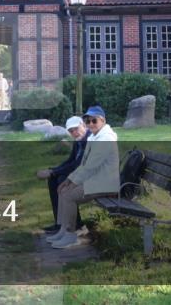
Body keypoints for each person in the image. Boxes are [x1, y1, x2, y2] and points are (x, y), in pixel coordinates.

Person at [47, 106, 119, 249]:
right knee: (63, 190)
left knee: (68, 195)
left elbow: (90, 167)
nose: (91, 124)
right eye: (88, 121)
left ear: (102, 121)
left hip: (105, 184)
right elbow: (83, 165)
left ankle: (71, 235)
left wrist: (72, 183)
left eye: (94, 121)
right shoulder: (94, 137)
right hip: (96, 180)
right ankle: (63, 230)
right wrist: (68, 181)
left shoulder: (105, 138)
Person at [35, 116, 88, 233]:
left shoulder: (90, 140)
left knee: (62, 180)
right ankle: (59, 223)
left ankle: (75, 224)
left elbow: (78, 165)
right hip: (80, 174)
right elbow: (70, 161)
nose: (74, 132)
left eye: (76, 129)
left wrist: (53, 172)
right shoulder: (79, 141)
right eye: (70, 131)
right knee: (54, 180)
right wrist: (53, 170)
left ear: (83, 125)